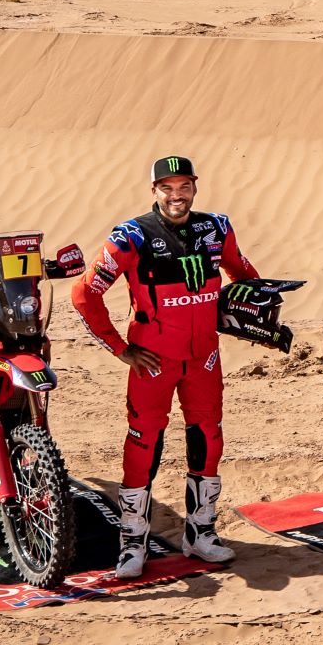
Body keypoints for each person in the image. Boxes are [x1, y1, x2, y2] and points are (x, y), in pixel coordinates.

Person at [73, 155, 262, 577]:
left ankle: (201, 533)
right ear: (153, 191)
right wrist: (120, 349)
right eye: (167, 188)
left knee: (209, 439)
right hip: (152, 361)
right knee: (142, 445)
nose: (177, 196)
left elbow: (244, 274)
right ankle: (132, 544)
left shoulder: (216, 228)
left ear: (194, 187)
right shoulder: (131, 235)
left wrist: (252, 305)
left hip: (204, 359)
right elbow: (85, 294)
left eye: (184, 187)